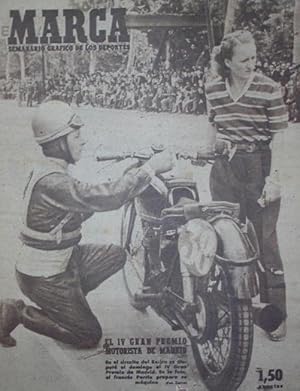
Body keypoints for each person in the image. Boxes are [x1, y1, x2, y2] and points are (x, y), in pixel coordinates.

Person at [0, 100, 174, 348]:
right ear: (60, 142)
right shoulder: (54, 183)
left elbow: (89, 203)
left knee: (116, 255)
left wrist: (129, 179)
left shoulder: (49, 171)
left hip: (63, 261)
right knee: (89, 336)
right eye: (76, 135)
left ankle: (68, 306)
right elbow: (102, 197)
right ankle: (16, 312)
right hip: (43, 276)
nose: (83, 141)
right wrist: (149, 170)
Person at [204, 30, 288, 341]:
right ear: (227, 62)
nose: (252, 64)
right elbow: (213, 122)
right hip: (224, 168)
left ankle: (275, 316)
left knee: (264, 241)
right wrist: (210, 148)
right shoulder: (212, 87)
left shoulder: (269, 88)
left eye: (254, 58)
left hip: (259, 167)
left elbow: (280, 135)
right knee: (225, 235)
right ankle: (232, 305)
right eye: (244, 60)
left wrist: (274, 178)